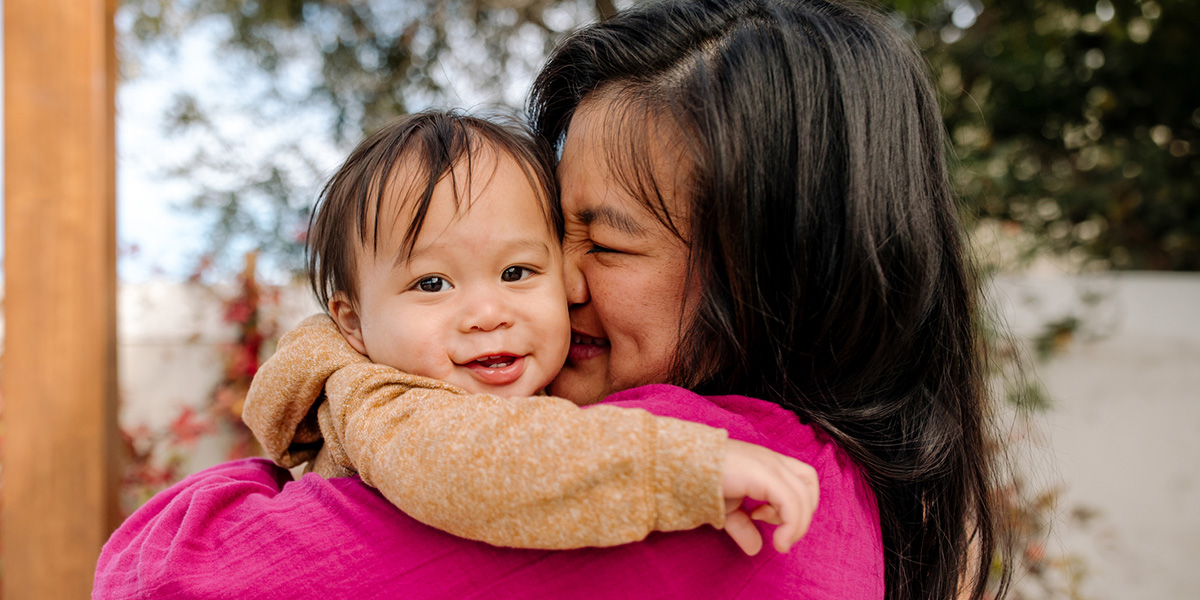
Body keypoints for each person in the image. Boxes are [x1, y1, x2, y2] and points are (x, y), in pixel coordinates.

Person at [94, 1, 1007, 599]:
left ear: (781, 269)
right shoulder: (836, 486)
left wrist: (344, 385)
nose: (559, 287)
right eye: (551, 238)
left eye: (604, 243)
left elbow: (168, 578)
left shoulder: (714, 479)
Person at [241, 109, 817, 553]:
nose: (488, 313)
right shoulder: (386, 406)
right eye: (433, 284)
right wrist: (678, 468)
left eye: (516, 272)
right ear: (353, 322)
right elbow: (480, 466)